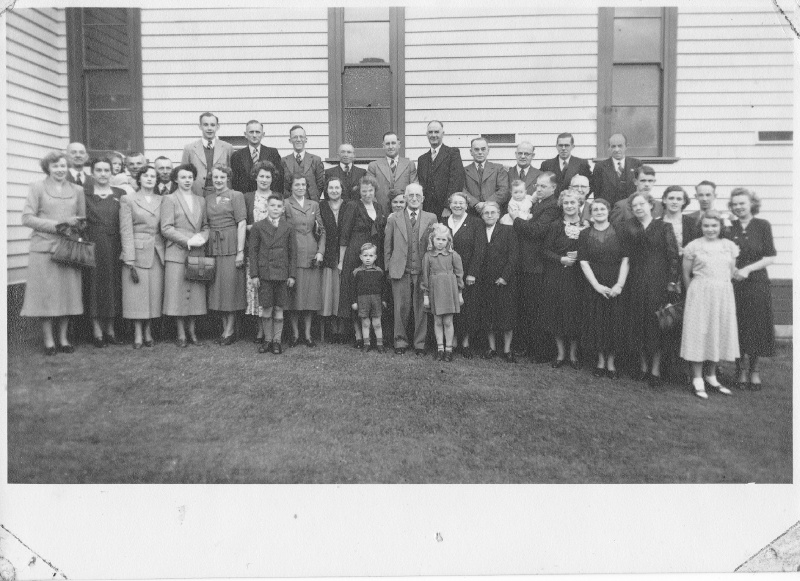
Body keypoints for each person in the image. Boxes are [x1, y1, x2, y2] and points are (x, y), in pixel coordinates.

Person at [20, 151, 86, 355]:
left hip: (67, 248)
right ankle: (49, 341)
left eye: (63, 166)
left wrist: (77, 226)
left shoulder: (77, 189)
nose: (60, 170)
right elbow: (27, 218)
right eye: (55, 166)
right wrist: (57, 225)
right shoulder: (37, 187)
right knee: (46, 295)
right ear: (47, 167)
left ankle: (64, 339)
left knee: (67, 294)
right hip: (43, 248)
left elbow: (83, 219)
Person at [620, 192, 681, 387]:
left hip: (658, 282)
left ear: (650, 205)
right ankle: (643, 367)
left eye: (641, 204)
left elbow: (673, 257)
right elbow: (626, 256)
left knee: (656, 325)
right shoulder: (629, 227)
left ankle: (655, 369)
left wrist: (671, 283)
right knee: (639, 324)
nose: (638, 208)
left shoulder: (663, 227)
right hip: (636, 282)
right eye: (634, 206)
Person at [680, 211, 739, 399]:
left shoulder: (729, 246)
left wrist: (719, 286)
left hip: (722, 293)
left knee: (717, 331)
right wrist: (693, 295)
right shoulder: (693, 246)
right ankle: (697, 378)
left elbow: (730, 271)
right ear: (701, 227)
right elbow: (686, 274)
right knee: (699, 333)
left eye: (714, 225)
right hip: (699, 293)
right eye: (706, 226)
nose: (710, 229)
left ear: (720, 226)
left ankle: (711, 375)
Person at [728, 188, 777, 391]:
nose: (739, 207)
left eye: (742, 203)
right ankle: (740, 369)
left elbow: (770, 256)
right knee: (738, 324)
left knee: (756, 324)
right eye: (735, 204)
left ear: (751, 204)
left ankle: (754, 370)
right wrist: (734, 271)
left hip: (756, 281)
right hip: (734, 281)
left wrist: (747, 269)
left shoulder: (762, 225)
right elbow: (726, 253)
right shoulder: (729, 227)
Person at [509, 172, 561, 362]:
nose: (538, 189)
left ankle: (541, 352)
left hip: (537, 265)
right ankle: (528, 347)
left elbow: (536, 231)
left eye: (543, 186)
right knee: (526, 307)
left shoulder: (552, 207)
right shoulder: (538, 203)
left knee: (535, 309)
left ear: (553, 188)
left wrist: (516, 218)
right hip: (527, 263)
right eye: (537, 186)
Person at [577, 199, 629, 379]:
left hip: (616, 279)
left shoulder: (620, 231)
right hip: (594, 281)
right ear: (591, 214)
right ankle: (600, 361)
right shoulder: (584, 234)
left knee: (614, 322)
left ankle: (612, 362)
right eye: (595, 209)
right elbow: (583, 262)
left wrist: (619, 285)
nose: (599, 211)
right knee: (597, 321)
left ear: (608, 211)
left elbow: (625, 259)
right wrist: (597, 286)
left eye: (602, 208)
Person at [384, 183, 437, 355]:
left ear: (423, 198)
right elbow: (387, 246)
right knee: (400, 308)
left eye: (418, 196)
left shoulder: (431, 218)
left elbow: (435, 245)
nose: (414, 199)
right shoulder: (394, 218)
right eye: (411, 195)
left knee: (421, 308)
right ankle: (400, 341)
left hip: (422, 271)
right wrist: (388, 268)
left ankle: (420, 343)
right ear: (405, 198)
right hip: (400, 269)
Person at [161, 163, 210, 347]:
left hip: (197, 251)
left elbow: (206, 226)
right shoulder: (169, 199)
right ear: (176, 179)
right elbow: (166, 228)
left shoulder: (201, 200)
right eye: (183, 177)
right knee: (177, 294)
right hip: (177, 252)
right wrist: (186, 241)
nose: (187, 180)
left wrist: (201, 237)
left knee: (195, 295)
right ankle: (181, 333)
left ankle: (192, 331)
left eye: (190, 177)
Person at [541, 189, 590, 369]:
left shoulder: (587, 225)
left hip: (579, 277)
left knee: (575, 315)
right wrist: (561, 259)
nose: (570, 206)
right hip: (558, 276)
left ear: (579, 204)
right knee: (558, 315)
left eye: (573, 203)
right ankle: (561, 354)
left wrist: (580, 255)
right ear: (562, 205)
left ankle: (573, 355)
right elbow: (545, 250)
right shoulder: (555, 226)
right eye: (566, 203)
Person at [119, 165, 165, 348]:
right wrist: (129, 258)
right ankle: (138, 333)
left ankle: (148, 332)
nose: (149, 178)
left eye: (153, 176)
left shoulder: (162, 200)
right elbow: (126, 230)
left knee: (153, 295)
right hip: (136, 252)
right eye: (146, 175)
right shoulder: (128, 199)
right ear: (139, 179)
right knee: (136, 296)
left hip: (157, 251)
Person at [339, 175, 387, 347]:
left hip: (375, 253)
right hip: (355, 253)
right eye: (364, 190)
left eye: (370, 190)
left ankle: (375, 336)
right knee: (356, 291)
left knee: (372, 290)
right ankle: (358, 335)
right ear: (359, 191)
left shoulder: (379, 206)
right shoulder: (353, 206)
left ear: (375, 191)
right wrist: (341, 259)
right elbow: (344, 234)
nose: (367, 193)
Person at [82, 157, 125, 347]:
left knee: (113, 284)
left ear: (112, 172)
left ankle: (110, 329)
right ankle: (96, 331)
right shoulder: (85, 195)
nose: (102, 174)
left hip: (116, 243)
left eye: (106, 170)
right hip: (95, 243)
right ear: (92, 173)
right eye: (98, 170)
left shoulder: (120, 193)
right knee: (95, 285)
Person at [248, 195, 297, 354]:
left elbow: (292, 253)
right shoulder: (258, 226)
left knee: (279, 309)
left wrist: (292, 275)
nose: (275, 209)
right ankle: (267, 340)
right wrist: (254, 275)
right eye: (272, 206)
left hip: (282, 274)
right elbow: (253, 252)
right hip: (265, 274)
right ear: (267, 207)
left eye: (278, 206)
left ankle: (277, 341)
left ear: (283, 209)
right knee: (267, 308)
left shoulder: (288, 227)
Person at [206, 164, 247, 344]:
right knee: (218, 290)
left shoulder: (236, 196)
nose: (218, 180)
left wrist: (240, 252)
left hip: (231, 244)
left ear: (228, 179)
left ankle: (230, 330)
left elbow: (242, 223)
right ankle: (225, 328)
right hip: (213, 246)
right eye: (215, 177)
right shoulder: (207, 198)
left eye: (222, 177)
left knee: (230, 289)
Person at [284, 173, 326, 347]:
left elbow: (322, 230)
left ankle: (308, 334)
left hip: (311, 252)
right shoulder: (286, 204)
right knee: (295, 297)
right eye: (297, 185)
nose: (300, 188)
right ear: (291, 187)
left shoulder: (314, 204)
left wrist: (320, 252)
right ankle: (294, 334)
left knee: (309, 297)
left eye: (303, 185)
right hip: (293, 251)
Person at [442, 192, 485, 358]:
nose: (458, 206)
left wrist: (472, 273)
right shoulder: (444, 222)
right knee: (450, 307)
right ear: (450, 205)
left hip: (468, 273)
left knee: (468, 308)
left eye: (461, 203)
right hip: (448, 273)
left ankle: (465, 343)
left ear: (467, 205)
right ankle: (451, 341)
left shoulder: (475, 222)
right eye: (454, 203)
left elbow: (479, 250)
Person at [476, 201, 517, 362]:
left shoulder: (508, 230)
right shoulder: (479, 230)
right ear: (482, 215)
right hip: (485, 279)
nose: (490, 215)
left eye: (493, 212)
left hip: (504, 279)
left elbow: (513, 256)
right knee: (489, 315)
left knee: (507, 316)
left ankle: (507, 349)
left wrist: (505, 277)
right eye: (486, 213)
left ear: (499, 214)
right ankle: (491, 348)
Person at [244, 161, 280, 342]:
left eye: (268, 176)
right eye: (262, 176)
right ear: (255, 177)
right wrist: (256, 228)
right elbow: (244, 224)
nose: (264, 180)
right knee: (257, 288)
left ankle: (274, 332)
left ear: (272, 179)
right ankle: (260, 329)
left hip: (274, 251)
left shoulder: (278, 197)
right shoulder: (248, 197)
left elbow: (282, 224)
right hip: (255, 248)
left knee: (272, 288)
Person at [421, 224, 464, 362]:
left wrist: (459, 294)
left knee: (448, 320)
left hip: (449, 290)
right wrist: (426, 296)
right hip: (435, 289)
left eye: (443, 240)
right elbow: (425, 277)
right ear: (432, 240)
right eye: (438, 239)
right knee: (437, 320)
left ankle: (449, 349)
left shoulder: (453, 255)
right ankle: (440, 348)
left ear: (448, 241)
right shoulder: (428, 256)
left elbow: (459, 275)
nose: (440, 242)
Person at [416, 120, 466, 219]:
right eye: (430, 132)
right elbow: (421, 185)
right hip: (427, 210)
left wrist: (448, 207)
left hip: (446, 210)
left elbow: (456, 181)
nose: (433, 135)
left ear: (443, 134)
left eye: (436, 132)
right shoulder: (422, 159)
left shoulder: (452, 153)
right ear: (426, 134)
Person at [318, 178, 347, 342]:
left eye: (337, 187)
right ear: (326, 190)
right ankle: (328, 329)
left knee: (341, 292)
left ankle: (341, 330)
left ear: (341, 189)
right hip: (328, 254)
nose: (334, 190)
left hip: (344, 254)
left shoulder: (349, 205)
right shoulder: (321, 206)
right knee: (328, 292)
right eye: (331, 187)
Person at [181, 112, 234, 196]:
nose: (209, 128)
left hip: (222, 193)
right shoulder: (189, 149)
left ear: (217, 127)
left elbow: (231, 174)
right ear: (200, 126)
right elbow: (183, 174)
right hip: (197, 194)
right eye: (206, 125)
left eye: (212, 125)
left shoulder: (227, 148)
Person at [367, 131, 418, 213]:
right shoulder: (374, 166)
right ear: (383, 146)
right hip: (381, 212)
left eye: (393, 143)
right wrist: (377, 211)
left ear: (399, 144)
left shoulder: (409, 164)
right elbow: (369, 190)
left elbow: (415, 190)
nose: (390, 147)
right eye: (387, 144)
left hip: (404, 212)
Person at [350, 243, 387, 353]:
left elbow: (384, 288)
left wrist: (384, 300)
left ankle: (380, 344)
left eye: (371, 256)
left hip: (376, 300)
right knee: (365, 323)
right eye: (365, 256)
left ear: (375, 257)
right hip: (362, 300)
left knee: (377, 323)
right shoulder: (357, 272)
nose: (368, 258)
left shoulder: (379, 272)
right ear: (361, 257)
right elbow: (352, 289)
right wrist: (354, 302)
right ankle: (366, 344)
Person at [230, 120, 283, 195]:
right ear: (245, 134)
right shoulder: (237, 155)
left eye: (257, 132)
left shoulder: (273, 153)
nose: (254, 135)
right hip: (245, 199)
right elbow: (235, 182)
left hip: (268, 198)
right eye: (251, 132)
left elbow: (279, 180)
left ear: (263, 134)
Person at [591, 133, 642, 206]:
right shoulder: (600, 167)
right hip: (610, 212)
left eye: (620, 146)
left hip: (631, 211)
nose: (617, 149)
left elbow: (641, 189)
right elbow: (597, 195)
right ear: (609, 147)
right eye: (613, 146)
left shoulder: (636, 164)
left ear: (626, 146)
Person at [463, 137, 509, 216]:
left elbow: (503, 190)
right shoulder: (464, 171)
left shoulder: (498, 169)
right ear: (471, 152)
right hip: (472, 213)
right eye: (476, 149)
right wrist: (475, 203)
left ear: (488, 151)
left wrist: (486, 204)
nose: (480, 152)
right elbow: (462, 190)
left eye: (483, 149)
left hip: (493, 213)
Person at [281, 125, 325, 201]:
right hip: (290, 204)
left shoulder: (316, 160)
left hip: (311, 204)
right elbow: (282, 184)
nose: (298, 140)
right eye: (295, 137)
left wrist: (315, 199)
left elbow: (320, 184)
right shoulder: (283, 161)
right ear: (290, 140)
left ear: (306, 139)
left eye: (301, 137)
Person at [659, 185, 697, 251]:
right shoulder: (657, 224)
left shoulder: (692, 223)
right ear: (664, 200)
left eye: (679, 199)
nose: (674, 202)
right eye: (671, 198)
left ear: (684, 201)